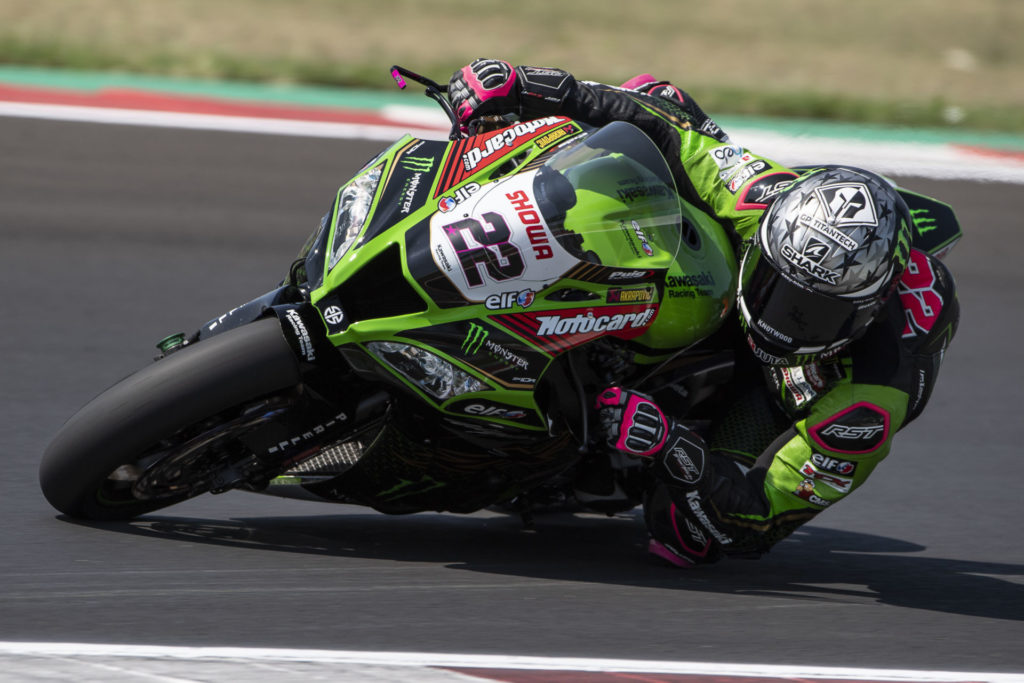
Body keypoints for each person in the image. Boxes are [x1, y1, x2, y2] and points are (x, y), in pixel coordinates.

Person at [447, 59, 961, 567]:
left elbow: (757, 524)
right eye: (775, 288)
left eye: (809, 313)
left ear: (864, 313)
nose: (778, 319)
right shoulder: (763, 202)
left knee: (686, 530)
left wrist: (673, 448)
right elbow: (664, 127)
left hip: (798, 381)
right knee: (658, 96)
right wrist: (537, 86)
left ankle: (612, 461)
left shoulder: (865, 404)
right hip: (743, 261)